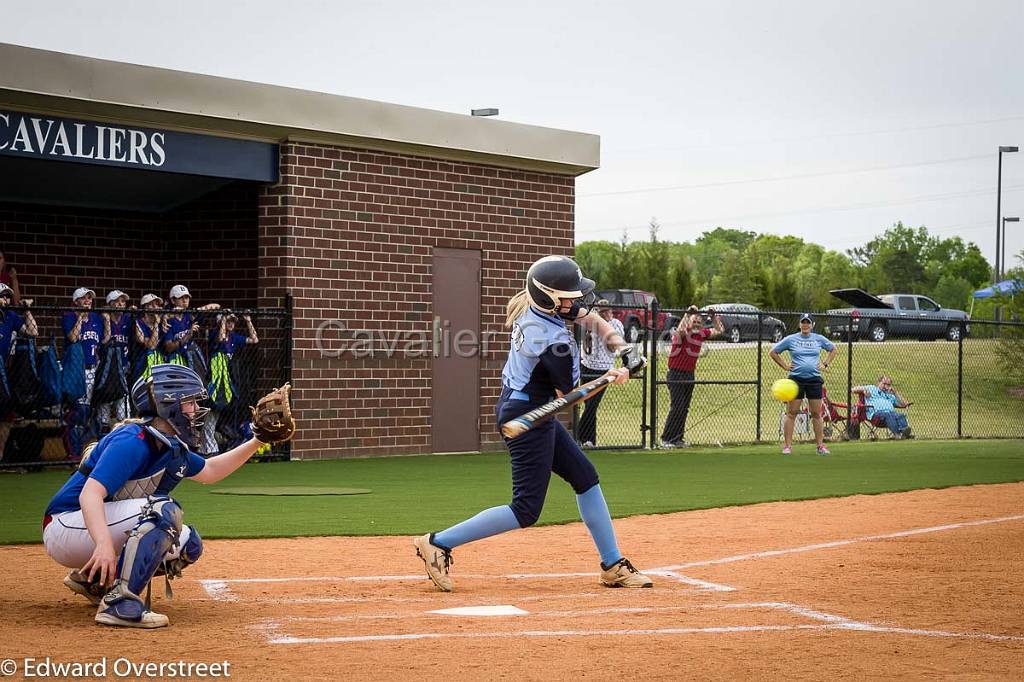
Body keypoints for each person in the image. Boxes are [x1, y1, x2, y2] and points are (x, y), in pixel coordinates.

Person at [413, 255, 653, 592]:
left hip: (532, 409)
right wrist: (608, 378)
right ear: (550, 296)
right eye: (570, 295)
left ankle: (612, 564)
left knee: (585, 478)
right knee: (526, 509)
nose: (577, 301)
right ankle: (438, 542)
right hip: (527, 418)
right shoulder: (551, 341)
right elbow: (569, 396)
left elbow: (594, 319)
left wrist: (622, 348)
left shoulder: (542, 308)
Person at [42, 365, 292, 628]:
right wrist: (103, 545)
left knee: (188, 543)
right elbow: (90, 494)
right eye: (190, 401)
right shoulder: (132, 439)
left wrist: (257, 439)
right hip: (65, 525)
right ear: (167, 404)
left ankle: (96, 581)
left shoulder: (170, 446)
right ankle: (119, 604)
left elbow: (210, 470)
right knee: (163, 511)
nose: (196, 409)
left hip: (93, 526)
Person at [768, 313, 838, 455]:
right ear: (799, 324)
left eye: (808, 322)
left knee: (816, 414)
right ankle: (787, 446)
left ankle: (820, 446)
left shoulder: (818, 339)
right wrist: (785, 366)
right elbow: (773, 352)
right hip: (795, 381)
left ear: (812, 325)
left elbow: (833, 349)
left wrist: (825, 364)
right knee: (792, 413)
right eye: (803, 322)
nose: (805, 325)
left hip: (814, 380)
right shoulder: (791, 339)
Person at [660, 305, 724, 448]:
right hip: (676, 373)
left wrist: (714, 317)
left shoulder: (701, 334)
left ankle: (678, 438)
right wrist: (687, 314)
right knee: (677, 406)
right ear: (689, 321)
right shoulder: (682, 333)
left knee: (684, 408)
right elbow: (680, 331)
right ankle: (666, 439)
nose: (696, 324)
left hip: (689, 374)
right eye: (694, 321)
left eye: (699, 322)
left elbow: (720, 330)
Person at [202, 312, 259, 453]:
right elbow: (221, 339)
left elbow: (254, 339)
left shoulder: (234, 337)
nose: (231, 324)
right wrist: (221, 321)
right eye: (228, 321)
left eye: (233, 321)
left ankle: (209, 448)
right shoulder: (215, 333)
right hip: (214, 380)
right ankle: (209, 450)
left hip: (225, 382)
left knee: (216, 416)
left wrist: (248, 321)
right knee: (209, 415)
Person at [576, 299, 623, 447]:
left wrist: (606, 325)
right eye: (601, 312)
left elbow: (613, 347)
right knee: (588, 402)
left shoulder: (615, 324)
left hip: (604, 368)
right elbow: (585, 343)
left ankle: (578, 435)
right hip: (587, 365)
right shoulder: (592, 323)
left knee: (592, 405)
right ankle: (590, 440)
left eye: (607, 311)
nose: (605, 314)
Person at [161, 284, 219, 370]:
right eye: (181, 298)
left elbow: (215, 306)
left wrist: (199, 309)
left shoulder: (189, 315)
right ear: (173, 300)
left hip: (189, 355)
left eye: (187, 297)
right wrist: (188, 335)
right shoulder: (167, 321)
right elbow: (169, 347)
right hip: (175, 358)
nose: (185, 301)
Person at [96, 290, 132, 430]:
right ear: (109, 304)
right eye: (116, 301)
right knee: (105, 401)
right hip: (107, 368)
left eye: (123, 301)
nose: (120, 304)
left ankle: (123, 430)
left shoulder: (128, 319)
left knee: (123, 403)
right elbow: (103, 341)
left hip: (123, 367)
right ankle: (102, 430)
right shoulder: (102, 319)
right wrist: (106, 320)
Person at [63, 287, 104, 406]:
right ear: (76, 301)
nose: (88, 301)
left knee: (87, 404)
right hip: (76, 368)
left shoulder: (96, 318)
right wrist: (80, 317)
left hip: (92, 368)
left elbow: (100, 342)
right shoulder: (69, 316)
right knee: (75, 402)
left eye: (89, 298)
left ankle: (84, 423)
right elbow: (73, 338)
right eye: (83, 298)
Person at [132, 293, 165, 383]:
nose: (155, 306)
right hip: (142, 365)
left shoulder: (163, 322)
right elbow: (151, 345)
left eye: (157, 304)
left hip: (159, 364)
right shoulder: (138, 323)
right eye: (151, 304)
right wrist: (156, 325)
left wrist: (165, 317)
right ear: (145, 307)